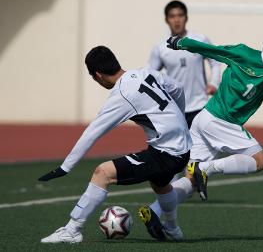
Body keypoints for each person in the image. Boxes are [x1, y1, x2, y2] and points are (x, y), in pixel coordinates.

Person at [147, 26, 263, 218]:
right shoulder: (243, 54)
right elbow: (212, 50)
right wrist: (180, 43)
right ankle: (204, 168)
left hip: (204, 120)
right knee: (260, 160)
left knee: (191, 181)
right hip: (220, 120)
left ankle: (153, 211)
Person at [39, 46, 192, 243]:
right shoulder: (144, 72)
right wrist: (179, 120)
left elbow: (92, 132)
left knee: (102, 173)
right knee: (160, 184)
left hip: (167, 153)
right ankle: (172, 229)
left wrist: (65, 166)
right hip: (184, 147)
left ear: (98, 75)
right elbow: (178, 88)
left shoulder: (122, 94)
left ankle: (72, 230)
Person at [148, 0, 221, 128]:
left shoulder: (199, 40)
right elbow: (150, 75)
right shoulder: (161, 47)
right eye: (172, 16)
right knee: (179, 147)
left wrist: (214, 83)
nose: (177, 20)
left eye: (180, 15)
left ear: (186, 18)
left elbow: (215, 62)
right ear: (166, 20)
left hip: (200, 106)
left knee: (203, 147)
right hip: (175, 108)